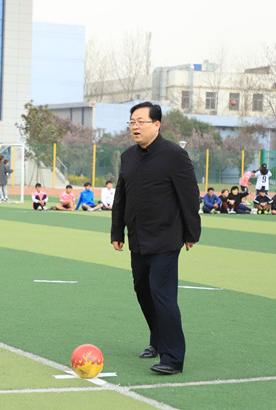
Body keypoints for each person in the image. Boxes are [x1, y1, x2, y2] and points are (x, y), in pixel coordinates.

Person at [111, 102, 201, 375]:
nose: (135, 127)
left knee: (162, 295)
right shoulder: (128, 156)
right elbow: (121, 196)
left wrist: (191, 233)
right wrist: (117, 231)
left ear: (157, 125)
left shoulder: (174, 155)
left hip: (166, 238)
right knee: (143, 292)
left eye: (141, 121)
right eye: (132, 122)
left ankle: (173, 358)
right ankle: (157, 340)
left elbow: (189, 195)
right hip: (138, 239)